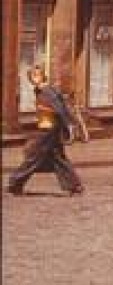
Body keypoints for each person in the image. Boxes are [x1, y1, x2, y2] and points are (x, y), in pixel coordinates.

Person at [7, 66, 85, 197]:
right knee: (58, 157)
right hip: (49, 128)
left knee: (33, 156)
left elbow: (60, 109)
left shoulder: (46, 91)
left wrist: (69, 125)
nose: (35, 78)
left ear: (43, 76)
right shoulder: (42, 90)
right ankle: (74, 185)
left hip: (48, 129)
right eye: (32, 76)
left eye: (38, 75)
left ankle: (15, 183)